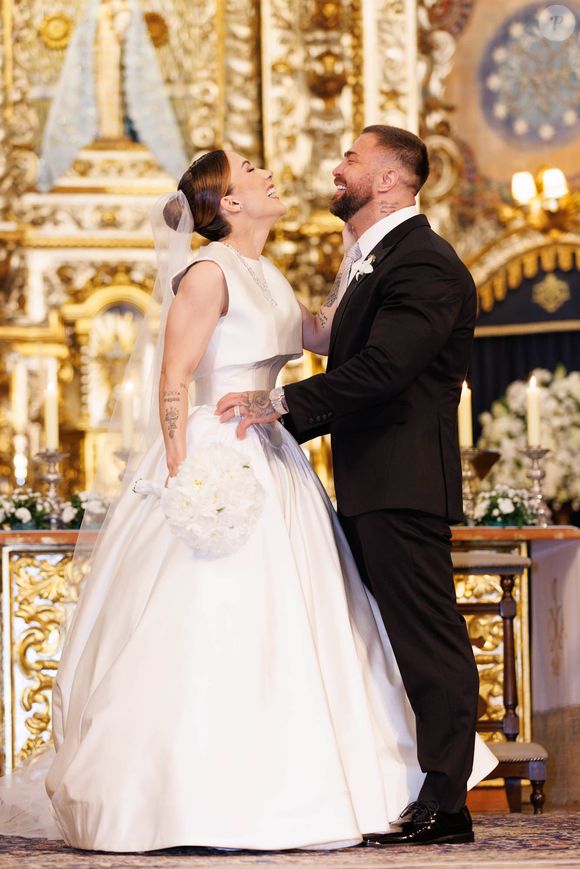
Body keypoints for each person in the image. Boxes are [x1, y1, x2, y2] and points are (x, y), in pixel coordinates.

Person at [0, 148, 495, 853]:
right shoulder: (208, 271)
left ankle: (316, 783)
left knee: (305, 617)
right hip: (219, 450)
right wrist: (183, 467)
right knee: (211, 612)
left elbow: (325, 334)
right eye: (252, 171)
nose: (269, 175)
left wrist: (357, 263)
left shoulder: (268, 272)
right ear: (228, 202)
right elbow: (173, 376)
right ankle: (185, 791)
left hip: (275, 452)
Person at [217, 126, 488, 846]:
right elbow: (348, 349)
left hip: (405, 484)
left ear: (391, 179)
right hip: (372, 482)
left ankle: (448, 802)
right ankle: (398, 785)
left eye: (351, 160)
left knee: (427, 641)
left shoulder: (425, 262)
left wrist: (278, 404)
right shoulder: (375, 258)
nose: (336, 169)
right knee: (382, 641)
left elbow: (385, 369)